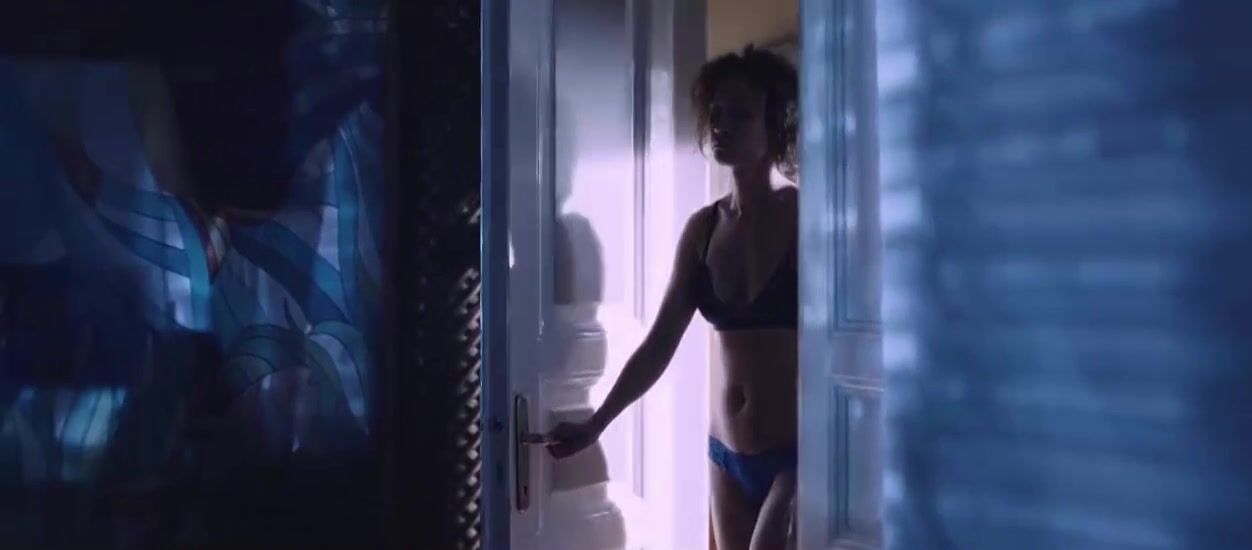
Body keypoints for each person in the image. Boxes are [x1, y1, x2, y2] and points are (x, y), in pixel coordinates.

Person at [545, 44, 799, 550]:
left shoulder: (803, 216)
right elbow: (659, 344)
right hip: (726, 455)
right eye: (717, 113)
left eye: (741, 114)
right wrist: (597, 423)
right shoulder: (703, 230)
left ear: (774, 125)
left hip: (795, 454)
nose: (721, 126)